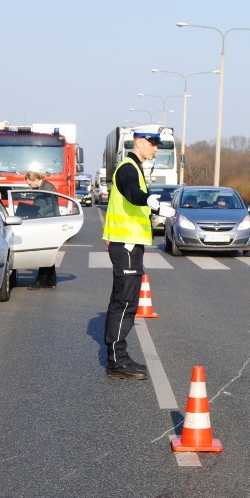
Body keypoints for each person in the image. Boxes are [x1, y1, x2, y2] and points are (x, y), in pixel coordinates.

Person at [102, 131, 175, 381]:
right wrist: (150, 202)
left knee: (124, 302)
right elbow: (131, 191)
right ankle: (117, 362)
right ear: (139, 143)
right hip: (127, 246)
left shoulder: (135, 167)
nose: (155, 149)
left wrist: (152, 210)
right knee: (124, 303)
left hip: (129, 245)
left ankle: (118, 357)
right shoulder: (128, 168)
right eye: (153, 145)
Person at [24, 171, 59, 289]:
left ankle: (41, 280)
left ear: (34, 180)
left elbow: (52, 206)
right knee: (48, 253)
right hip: (42, 222)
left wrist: (39, 212)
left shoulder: (48, 188)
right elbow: (38, 204)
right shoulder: (39, 188)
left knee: (44, 252)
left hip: (49, 223)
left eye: (29, 184)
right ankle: (51, 280)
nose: (29, 186)